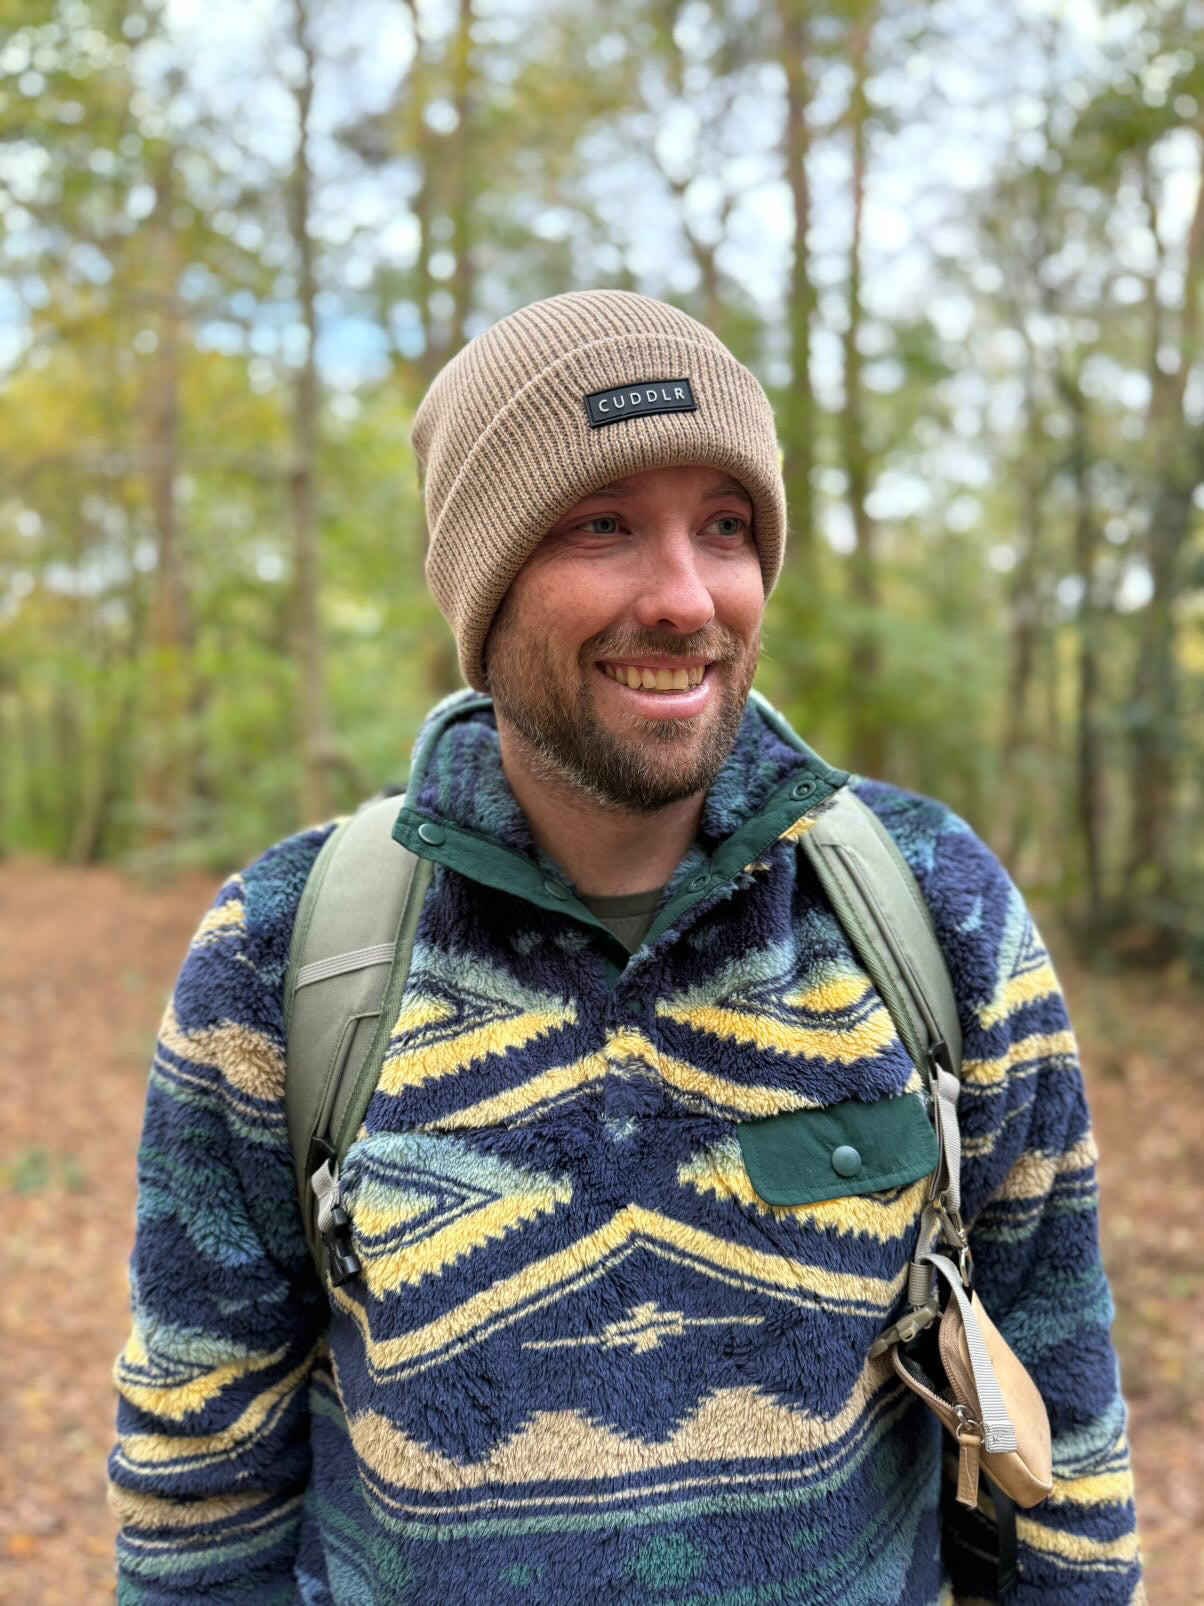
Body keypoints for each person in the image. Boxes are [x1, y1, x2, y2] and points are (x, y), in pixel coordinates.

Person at [108, 290, 1144, 1604]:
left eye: (725, 526)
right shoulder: (283, 958)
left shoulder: (935, 908)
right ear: (484, 589)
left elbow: (1062, 1413)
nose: (685, 596)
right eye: (603, 525)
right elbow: (199, 1481)